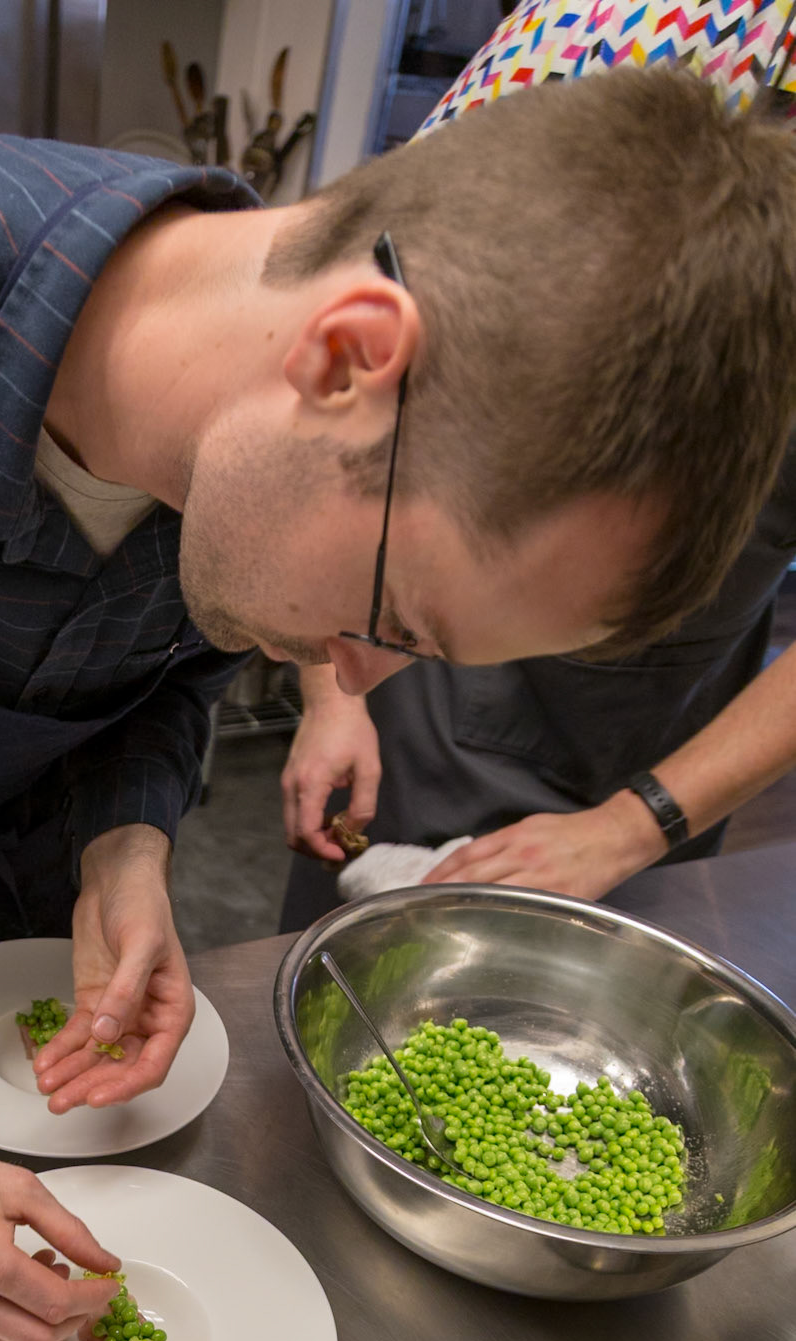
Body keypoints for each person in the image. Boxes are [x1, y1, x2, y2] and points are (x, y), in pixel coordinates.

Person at [0, 68, 796, 1341]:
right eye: (394, 613)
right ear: (343, 359)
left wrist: (126, 843)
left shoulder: (248, 457)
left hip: (2, 986)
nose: (349, 679)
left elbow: (166, 678)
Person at [281, 0, 796, 925]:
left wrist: (637, 826)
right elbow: (355, 426)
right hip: (423, 707)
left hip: (671, 739)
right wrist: (331, 689)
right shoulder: (592, 32)